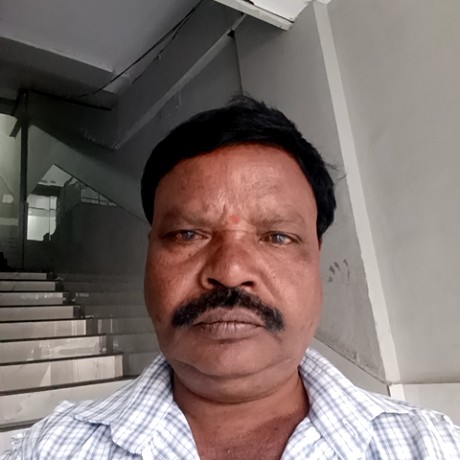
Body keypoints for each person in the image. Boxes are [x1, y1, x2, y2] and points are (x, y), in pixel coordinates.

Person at [2, 97, 459, 459]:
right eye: (188, 234)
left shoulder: (433, 447)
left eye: (277, 236)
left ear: (316, 260)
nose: (230, 271)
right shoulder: (49, 449)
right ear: (150, 255)